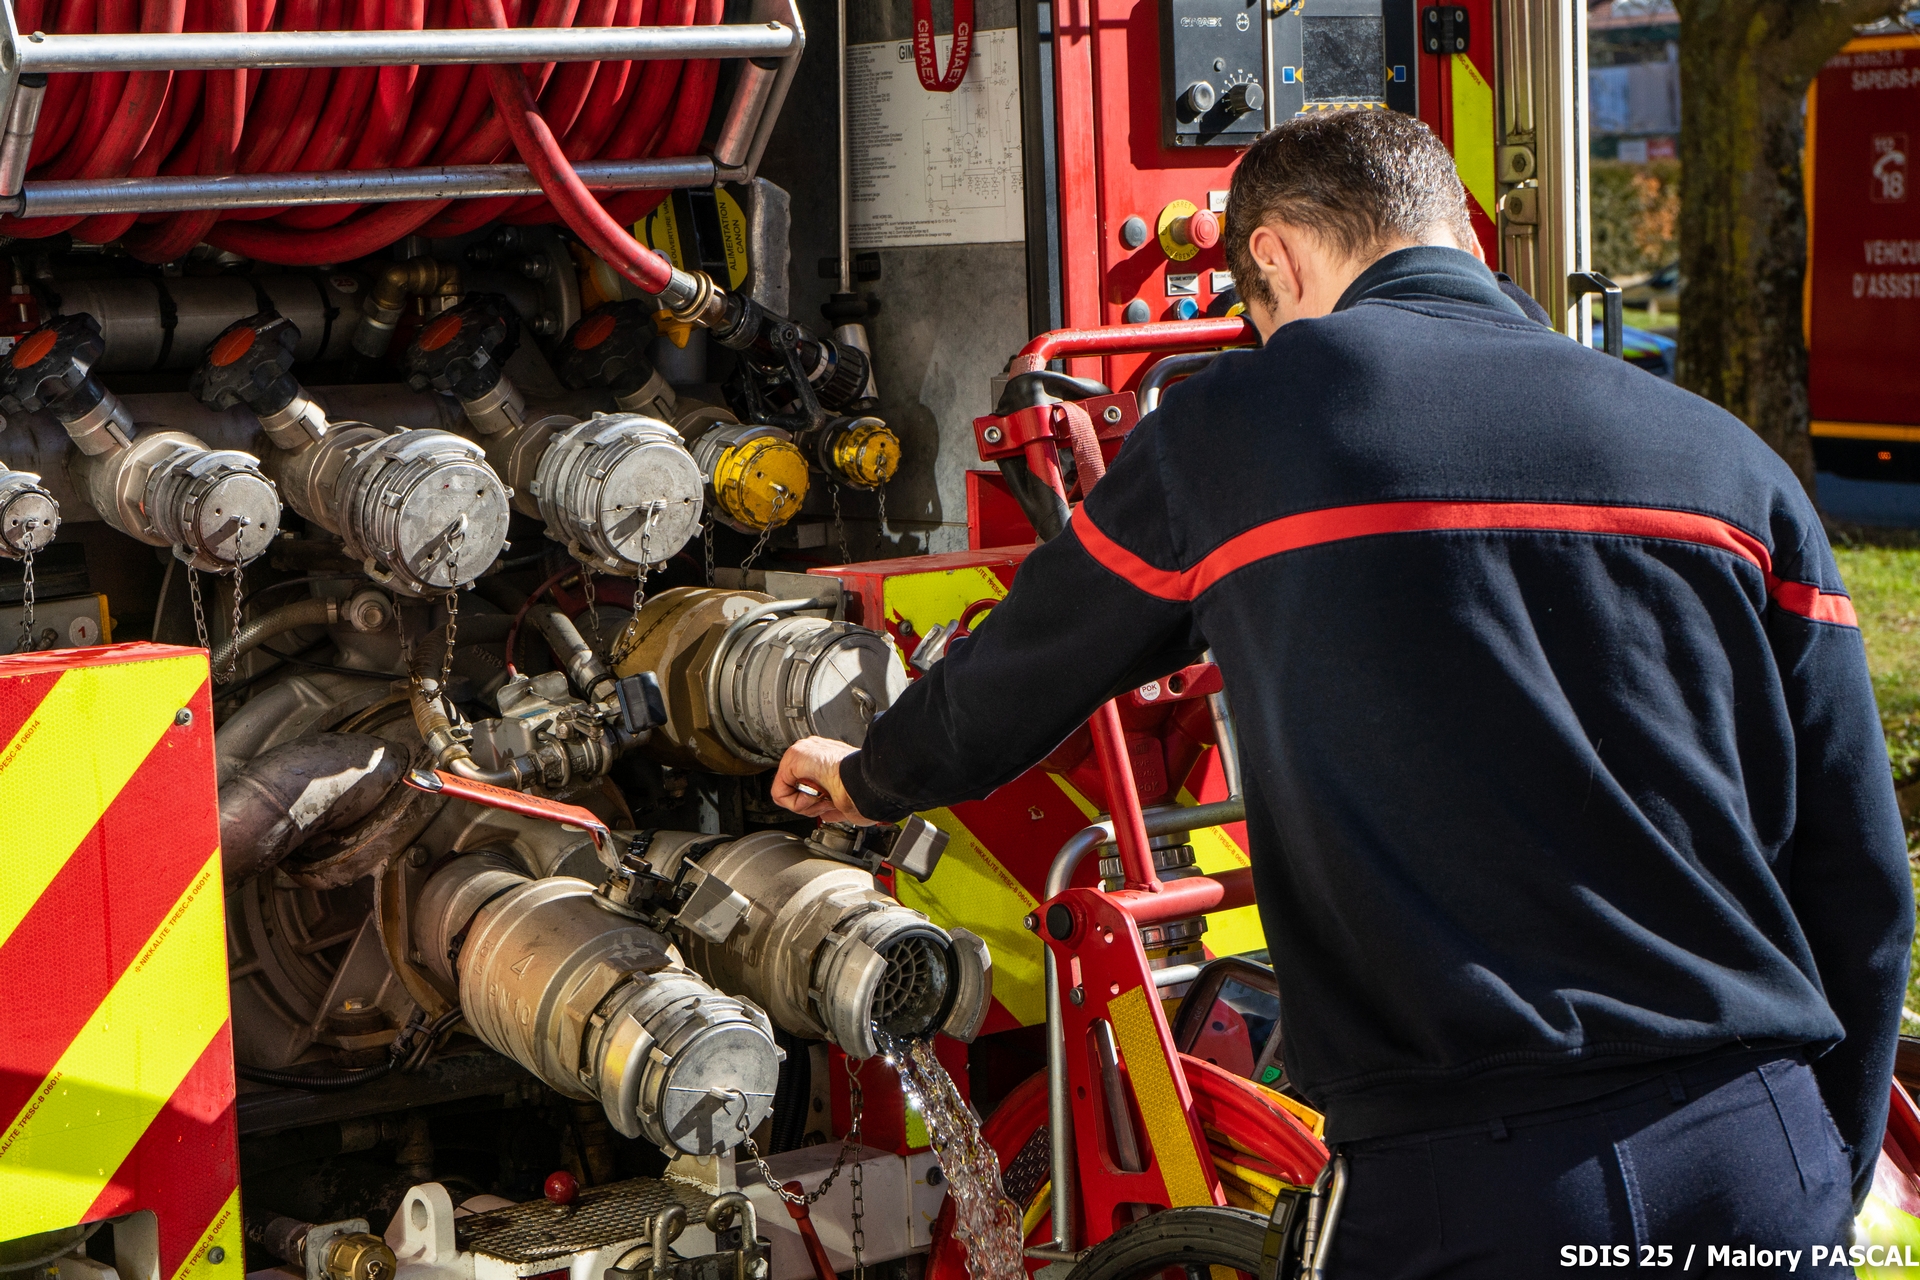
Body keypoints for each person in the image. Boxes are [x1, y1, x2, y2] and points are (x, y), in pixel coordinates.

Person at [771, 108, 1912, 1275]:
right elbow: (1861, 879)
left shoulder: (1237, 430)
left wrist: (866, 774)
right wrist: (1824, 1152)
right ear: (1461, 234)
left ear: (1272, 255)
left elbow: (1024, 669)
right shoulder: (1729, 462)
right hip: (1758, 1149)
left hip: (1473, 1179)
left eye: (1256, 317)